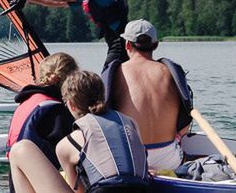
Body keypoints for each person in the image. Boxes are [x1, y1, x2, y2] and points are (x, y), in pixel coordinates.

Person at [9, 70, 150, 193]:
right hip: (142, 189)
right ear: (102, 96)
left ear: (70, 104)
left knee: (19, 149)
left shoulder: (68, 143)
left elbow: (78, 190)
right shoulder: (130, 123)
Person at [103, 19, 193, 172]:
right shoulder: (169, 72)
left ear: (127, 45)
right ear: (156, 45)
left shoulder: (117, 72)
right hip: (168, 158)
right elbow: (184, 128)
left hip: (131, 158)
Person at [26, 0, 129, 66]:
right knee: (112, 76)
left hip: (120, 43)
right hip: (116, 42)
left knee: (108, 75)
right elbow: (59, 3)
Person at [6, 52, 79, 192]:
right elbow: (72, 157)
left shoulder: (27, 101)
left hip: (16, 184)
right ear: (71, 79)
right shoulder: (57, 112)